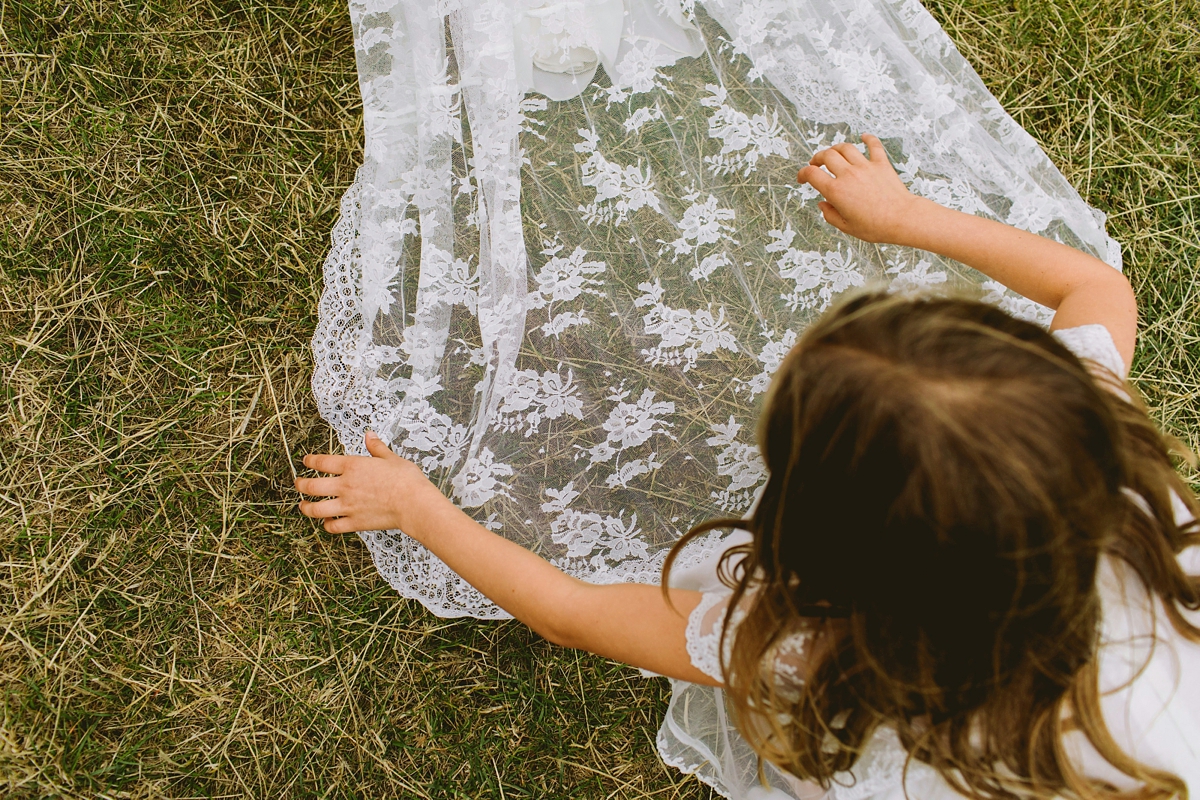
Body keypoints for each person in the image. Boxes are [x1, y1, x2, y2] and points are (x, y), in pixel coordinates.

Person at [297, 135, 1200, 799]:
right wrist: (907, 217)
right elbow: (1098, 289)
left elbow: (570, 613)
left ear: (826, 536)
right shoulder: (1107, 463)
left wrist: (419, 507)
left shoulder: (806, 648)